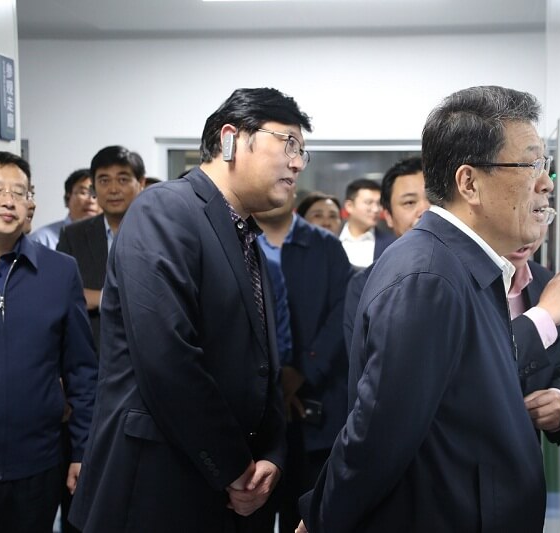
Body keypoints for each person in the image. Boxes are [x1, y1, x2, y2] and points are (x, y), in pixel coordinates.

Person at [298, 85, 556, 533]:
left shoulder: (463, 265)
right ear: (469, 183)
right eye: (530, 164)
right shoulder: (429, 277)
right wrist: (319, 520)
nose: (546, 182)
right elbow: (378, 434)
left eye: (545, 164)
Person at [69, 87, 312, 532]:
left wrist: (272, 455)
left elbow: (264, 367)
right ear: (231, 139)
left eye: (302, 152)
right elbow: (167, 358)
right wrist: (235, 467)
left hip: (231, 488)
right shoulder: (165, 209)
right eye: (289, 144)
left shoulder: (246, 236)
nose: (297, 163)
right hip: (159, 486)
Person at [0, 151, 97, 532]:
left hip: (37, 467)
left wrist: (83, 450)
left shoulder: (59, 271)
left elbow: (82, 371)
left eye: (20, 191)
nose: (9, 200)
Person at [253, 186, 353, 532]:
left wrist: (300, 373)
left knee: (309, 513)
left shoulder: (325, 246)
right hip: (255, 408)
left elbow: (341, 315)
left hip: (318, 404)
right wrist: (273, 385)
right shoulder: (237, 240)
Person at [57, 146, 146, 351]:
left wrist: (96, 298)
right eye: (104, 181)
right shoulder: (73, 235)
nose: (113, 189)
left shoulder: (159, 232)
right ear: (94, 187)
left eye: (123, 179)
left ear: (141, 183)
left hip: (145, 350)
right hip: (89, 351)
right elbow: (60, 292)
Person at [506, 218, 560, 444]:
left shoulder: (545, 282)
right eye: (521, 211)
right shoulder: (457, 282)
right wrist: (541, 317)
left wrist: (559, 397)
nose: (530, 231)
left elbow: (555, 364)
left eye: (540, 212)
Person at [342, 156, 430, 346]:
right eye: (409, 202)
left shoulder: (475, 275)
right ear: (388, 216)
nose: (425, 210)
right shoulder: (365, 284)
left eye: (434, 199)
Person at [30, 169, 100, 249]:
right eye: (83, 192)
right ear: (68, 197)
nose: (91, 200)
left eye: (96, 193)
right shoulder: (41, 240)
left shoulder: (109, 238)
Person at [339, 178, 394, 268]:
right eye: (369, 203)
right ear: (349, 206)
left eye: (379, 203)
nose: (376, 209)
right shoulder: (332, 240)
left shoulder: (391, 244)